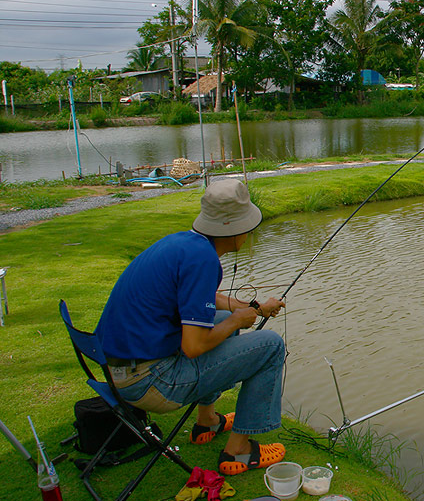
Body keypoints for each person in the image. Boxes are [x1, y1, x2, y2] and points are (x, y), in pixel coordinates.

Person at [95, 178, 287, 475]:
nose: (250, 233)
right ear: (235, 228)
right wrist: (238, 320)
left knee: (223, 322)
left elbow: (201, 300)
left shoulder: (184, 245)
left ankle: (207, 421)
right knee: (271, 346)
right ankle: (238, 452)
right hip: (151, 382)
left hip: (121, 370)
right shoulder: (204, 261)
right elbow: (193, 347)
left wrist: (247, 308)